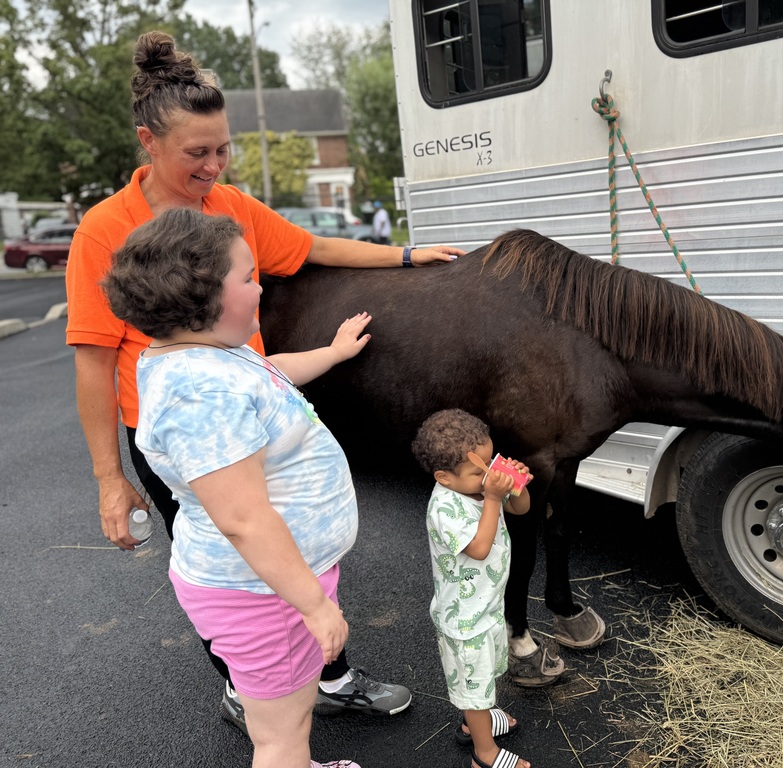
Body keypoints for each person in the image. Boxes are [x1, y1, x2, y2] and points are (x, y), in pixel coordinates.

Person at [65, 30, 464, 735]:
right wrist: (108, 475)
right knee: (235, 557)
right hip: (190, 434)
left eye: (223, 149)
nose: (215, 166)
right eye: (198, 153)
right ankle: (254, 689)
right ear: (148, 143)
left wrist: (404, 256)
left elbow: (306, 248)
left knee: (286, 549)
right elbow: (93, 357)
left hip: (254, 405)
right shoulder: (106, 229)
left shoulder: (230, 205)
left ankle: (323, 677)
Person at [103, 208, 366, 768]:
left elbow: (271, 374)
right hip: (263, 594)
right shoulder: (201, 394)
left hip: (278, 581)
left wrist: (334, 354)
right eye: (247, 279)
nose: (260, 285)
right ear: (202, 299)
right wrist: (314, 606)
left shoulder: (214, 354)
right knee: (281, 736)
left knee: (289, 722)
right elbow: (243, 518)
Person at [411, 410, 533, 768]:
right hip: (465, 622)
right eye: (479, 472)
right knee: (474, 685)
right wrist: (494, 497)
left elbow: (522, 510)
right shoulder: (444, 508)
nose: (489, 475)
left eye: (491, 462)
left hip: (487, 606)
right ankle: (484, 753)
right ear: (444, 478)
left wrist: (515, 485)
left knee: (485, 676)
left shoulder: (480, 487)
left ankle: (473, 722)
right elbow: (479, 548)